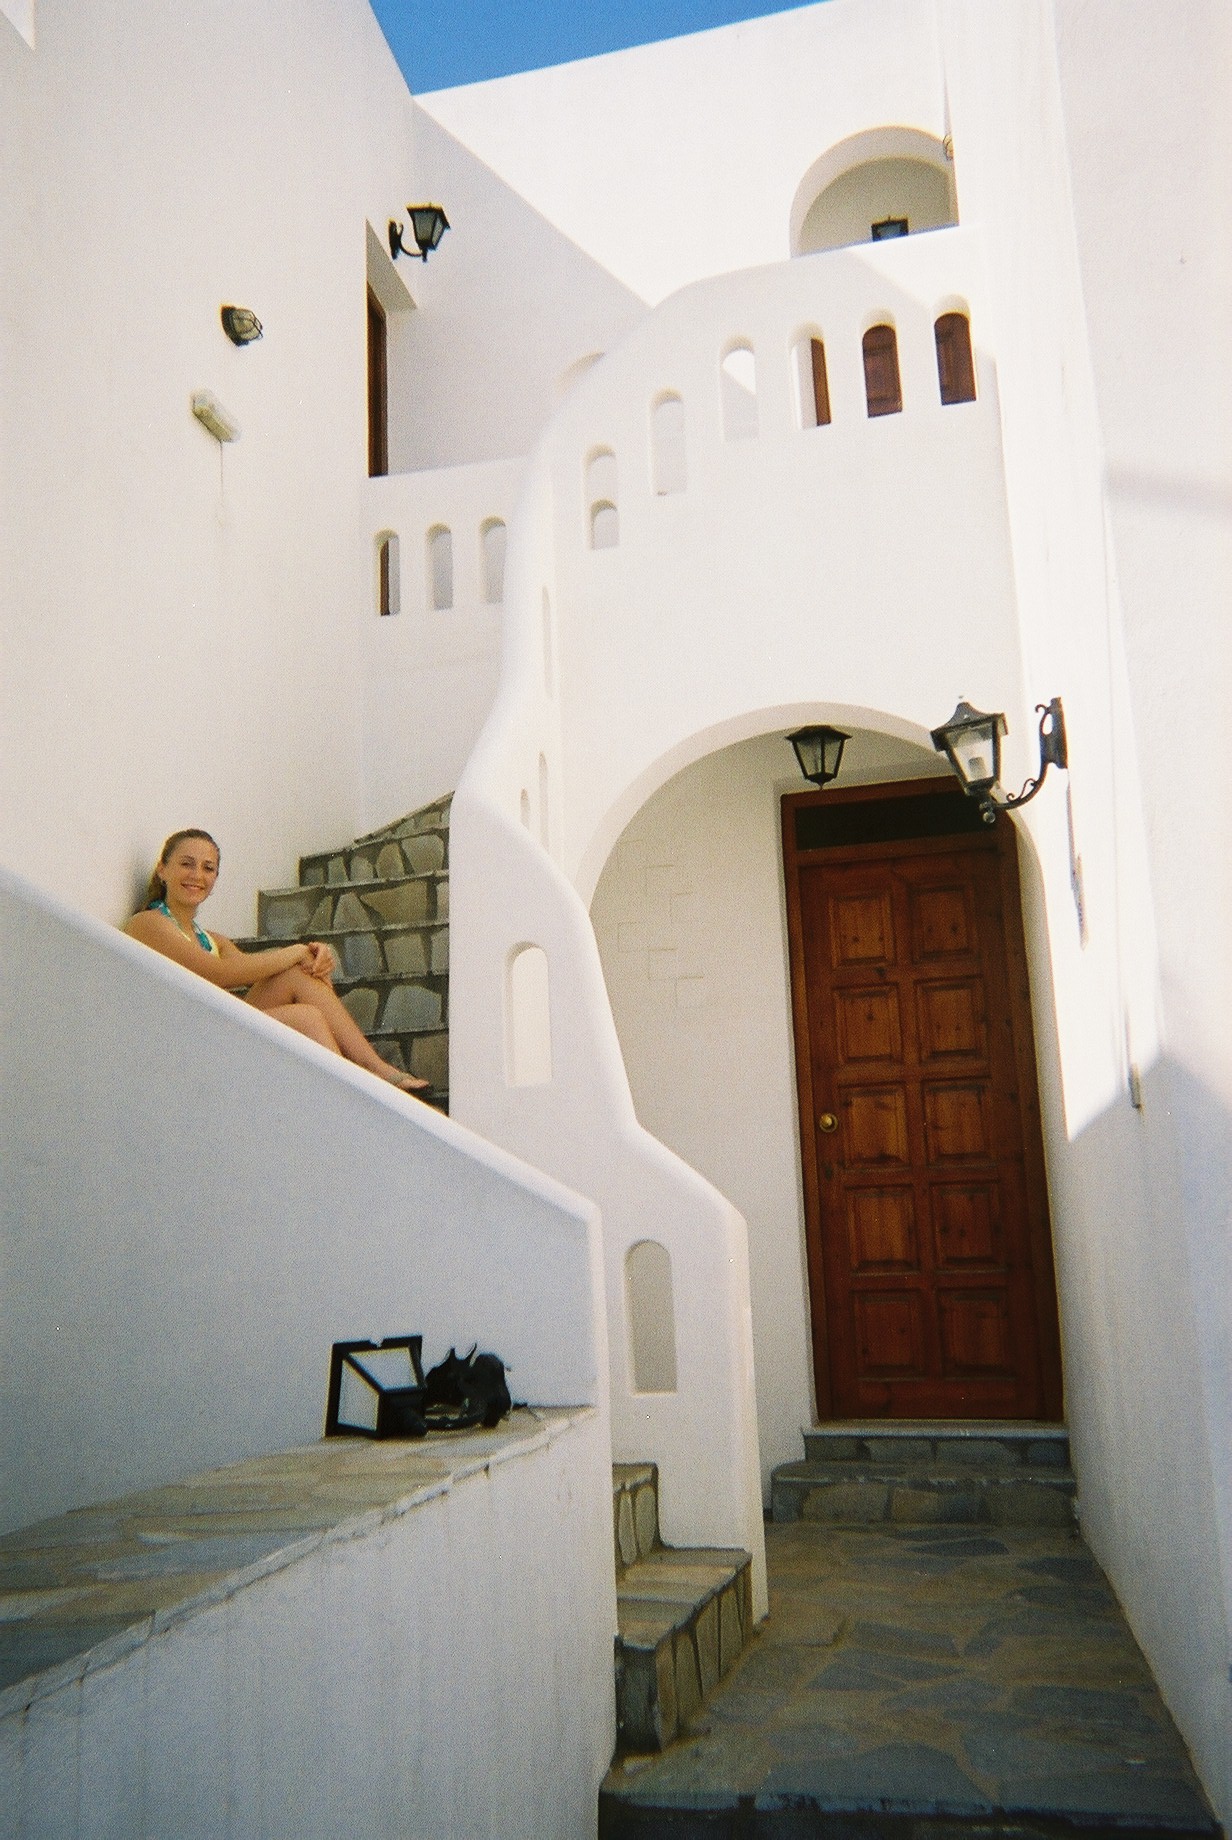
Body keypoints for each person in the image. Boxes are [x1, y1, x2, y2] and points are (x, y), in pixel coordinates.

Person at [125, 828, 430, 1095]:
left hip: (217, 1034)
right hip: (183, 1045)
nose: (197, 875)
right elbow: (220, 974)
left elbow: (253, 971)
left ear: (215, 879)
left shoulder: (212, 940)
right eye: (186, 864)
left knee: (298, 974)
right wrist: (295, 951)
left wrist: (313, 957)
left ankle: (375, 1068)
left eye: (208, 868)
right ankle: (353, 1095)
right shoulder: (148, 923)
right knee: (305, 1016)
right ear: (163, 870)